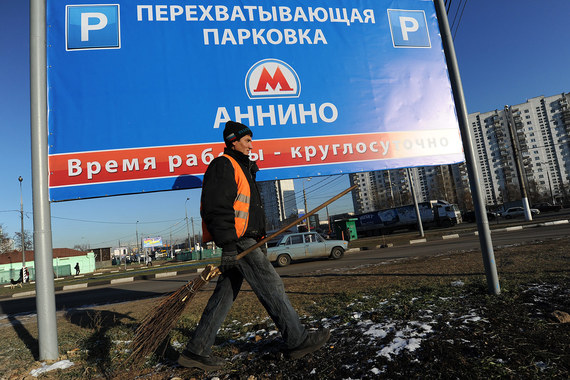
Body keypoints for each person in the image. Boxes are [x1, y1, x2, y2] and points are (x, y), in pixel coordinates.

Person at [177, 121, 330, 371]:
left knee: (225, 295)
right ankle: (297, 340)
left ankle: (196, 350)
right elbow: (217, 208)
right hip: (238, 241)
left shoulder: (243, 168)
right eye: (247, 140)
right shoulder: (223, 165)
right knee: (271, 285)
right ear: (233, 141)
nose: (251, 145)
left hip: (247, 240)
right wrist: (228, 245)